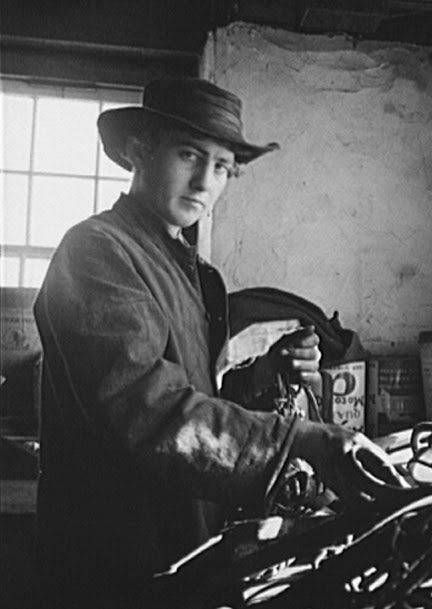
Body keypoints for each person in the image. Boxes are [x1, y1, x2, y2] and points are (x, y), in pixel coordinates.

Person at [33, 77, 403, 608]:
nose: (206, 181)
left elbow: (194, 402)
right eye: (189, 154)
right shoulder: (96, 252)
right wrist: (298, 441)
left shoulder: (190, 272)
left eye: (224, 167)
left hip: (181, 548)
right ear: (140, 150)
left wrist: (261, 379)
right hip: (110, 562)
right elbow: (150, 413)